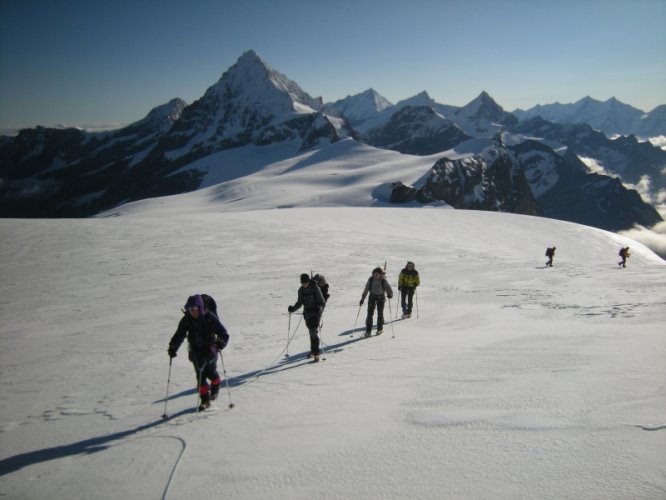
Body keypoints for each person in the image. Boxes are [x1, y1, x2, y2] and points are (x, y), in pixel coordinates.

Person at [168, 294, 229, 411]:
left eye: (194, 308)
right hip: (195, 352)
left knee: (211, 373)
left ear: (200, 307)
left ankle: (215, 386)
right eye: (190, 309)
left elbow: (223, 333)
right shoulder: (186, 320)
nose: (192, 311)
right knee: (200, 376)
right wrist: (173, 347)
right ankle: (205, 401)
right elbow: (179, 335)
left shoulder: (209, 317)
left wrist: (221, 342)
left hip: (211, 350)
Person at [288, 273, 326, 362]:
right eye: (303, 283)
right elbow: (299, 303)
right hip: (307, 314)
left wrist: (319, 310)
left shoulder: (315, 288)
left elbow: (322, 302)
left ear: (309, 281)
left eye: (306, 282)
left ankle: (316, 353)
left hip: (316, 313)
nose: (304, 284)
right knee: (312, 332)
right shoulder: (301, 290)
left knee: (313, 331)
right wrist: (293, 308)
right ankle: (313, 351)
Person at [360, 267, 393, 337]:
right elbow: (366, 289)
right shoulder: (371, 280)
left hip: (381, 298)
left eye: (377, 274)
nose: (376, 275)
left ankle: (379, 329)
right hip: (372, 297)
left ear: (381, 274)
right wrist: (362, 299)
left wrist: (390, 294)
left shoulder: (383, 281)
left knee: (380, 314)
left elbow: (388, 288)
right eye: (374, 274)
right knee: (369, 314)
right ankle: (368, 331)